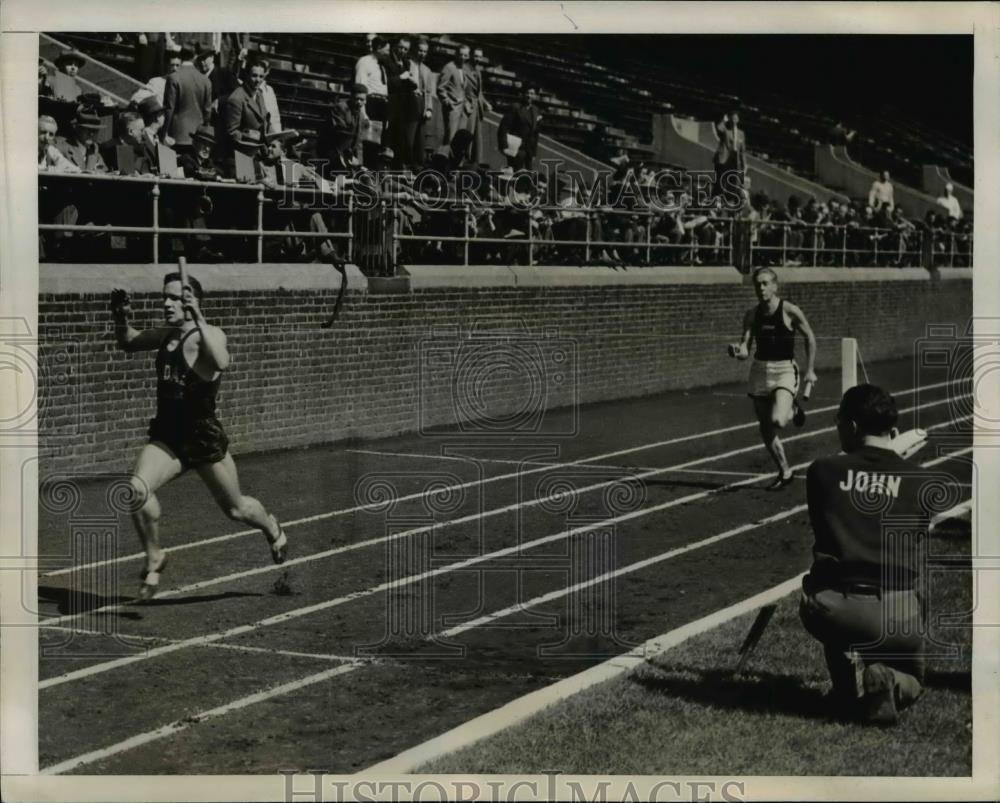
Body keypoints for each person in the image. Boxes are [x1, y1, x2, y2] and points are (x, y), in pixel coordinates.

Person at [109, 271, 288, 601]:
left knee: (236, 509)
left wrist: (199, 315)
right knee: (136, 490)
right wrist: (120, 316)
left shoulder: (209, 334)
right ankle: (154, 556)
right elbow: (128, 341)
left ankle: (271, 527)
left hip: (202, 437)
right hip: (168, 436)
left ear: (191, 301)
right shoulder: (167, 335)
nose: (166, 303)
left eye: (175, 298)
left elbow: (222, 360)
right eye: (165, 296)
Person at [800, 384, 931, 725]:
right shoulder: (922, 481)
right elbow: (914, 536)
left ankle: (846, 689)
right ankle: (887, 680)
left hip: (838, 610)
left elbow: (828, 522)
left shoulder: (822, 471)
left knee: (822, 581)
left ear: (852, 427)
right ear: (894, 431)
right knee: (915, 682)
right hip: (899, 615)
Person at [728, 267, 818, 488]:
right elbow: (745, 351)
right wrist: (736, 351)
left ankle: (794, 408)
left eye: (766, 283)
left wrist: (811, 369)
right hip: (759, 371)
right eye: (758, 284)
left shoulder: (789, 310)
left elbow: (810, 337)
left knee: (779, 420)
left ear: (775, 286)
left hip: (784, 370)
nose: (761, 288)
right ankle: (784, 471)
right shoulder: (751, 315)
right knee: (765, 427)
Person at [163, 44, 212, 154]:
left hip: (177, 134)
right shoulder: (205, 80)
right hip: (198, 136)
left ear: (180, 55)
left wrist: (164, 132)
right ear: (195, 57)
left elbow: (169, 108)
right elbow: (208, 111)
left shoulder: (174, 77)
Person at [497, 84, 541, 171]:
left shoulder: (536, 110)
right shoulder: (515, 107)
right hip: (516, 147)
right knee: (514, 173)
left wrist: (534, 153)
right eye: (527, 93)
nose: (529, 96)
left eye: (532, 93)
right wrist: (504, 146)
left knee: (527, 176)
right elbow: (504, 127)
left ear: (535, 96)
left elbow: (535, 134)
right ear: (523, 94)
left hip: (529, 150)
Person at [437, 45, 472, 151]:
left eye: (465, 55)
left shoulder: (465, 69)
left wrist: (467, 104)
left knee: (460, 139)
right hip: (452, 108)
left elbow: (464, 88)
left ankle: (456, 164)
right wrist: (447, 102)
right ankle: (445, 161)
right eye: (460, 54)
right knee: (450, 137)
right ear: (456, 54)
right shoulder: (449, 67)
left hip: (463, 109)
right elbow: (440, 88)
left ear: (468, 56)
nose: (462, 57)